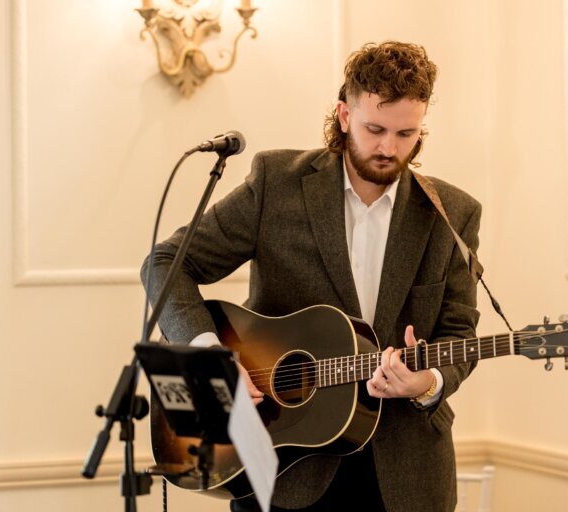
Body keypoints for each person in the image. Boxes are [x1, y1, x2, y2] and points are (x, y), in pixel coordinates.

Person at [142, 41, 482, 512]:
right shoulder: (274, 183)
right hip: (282, 469)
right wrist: (211, 359)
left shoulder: (452, 215)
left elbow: (459, 334)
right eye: (375, 128)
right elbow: (165, 263)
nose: (389, 148)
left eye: (407, 133)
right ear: (344, 115)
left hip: (406, 477)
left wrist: (427, 382)